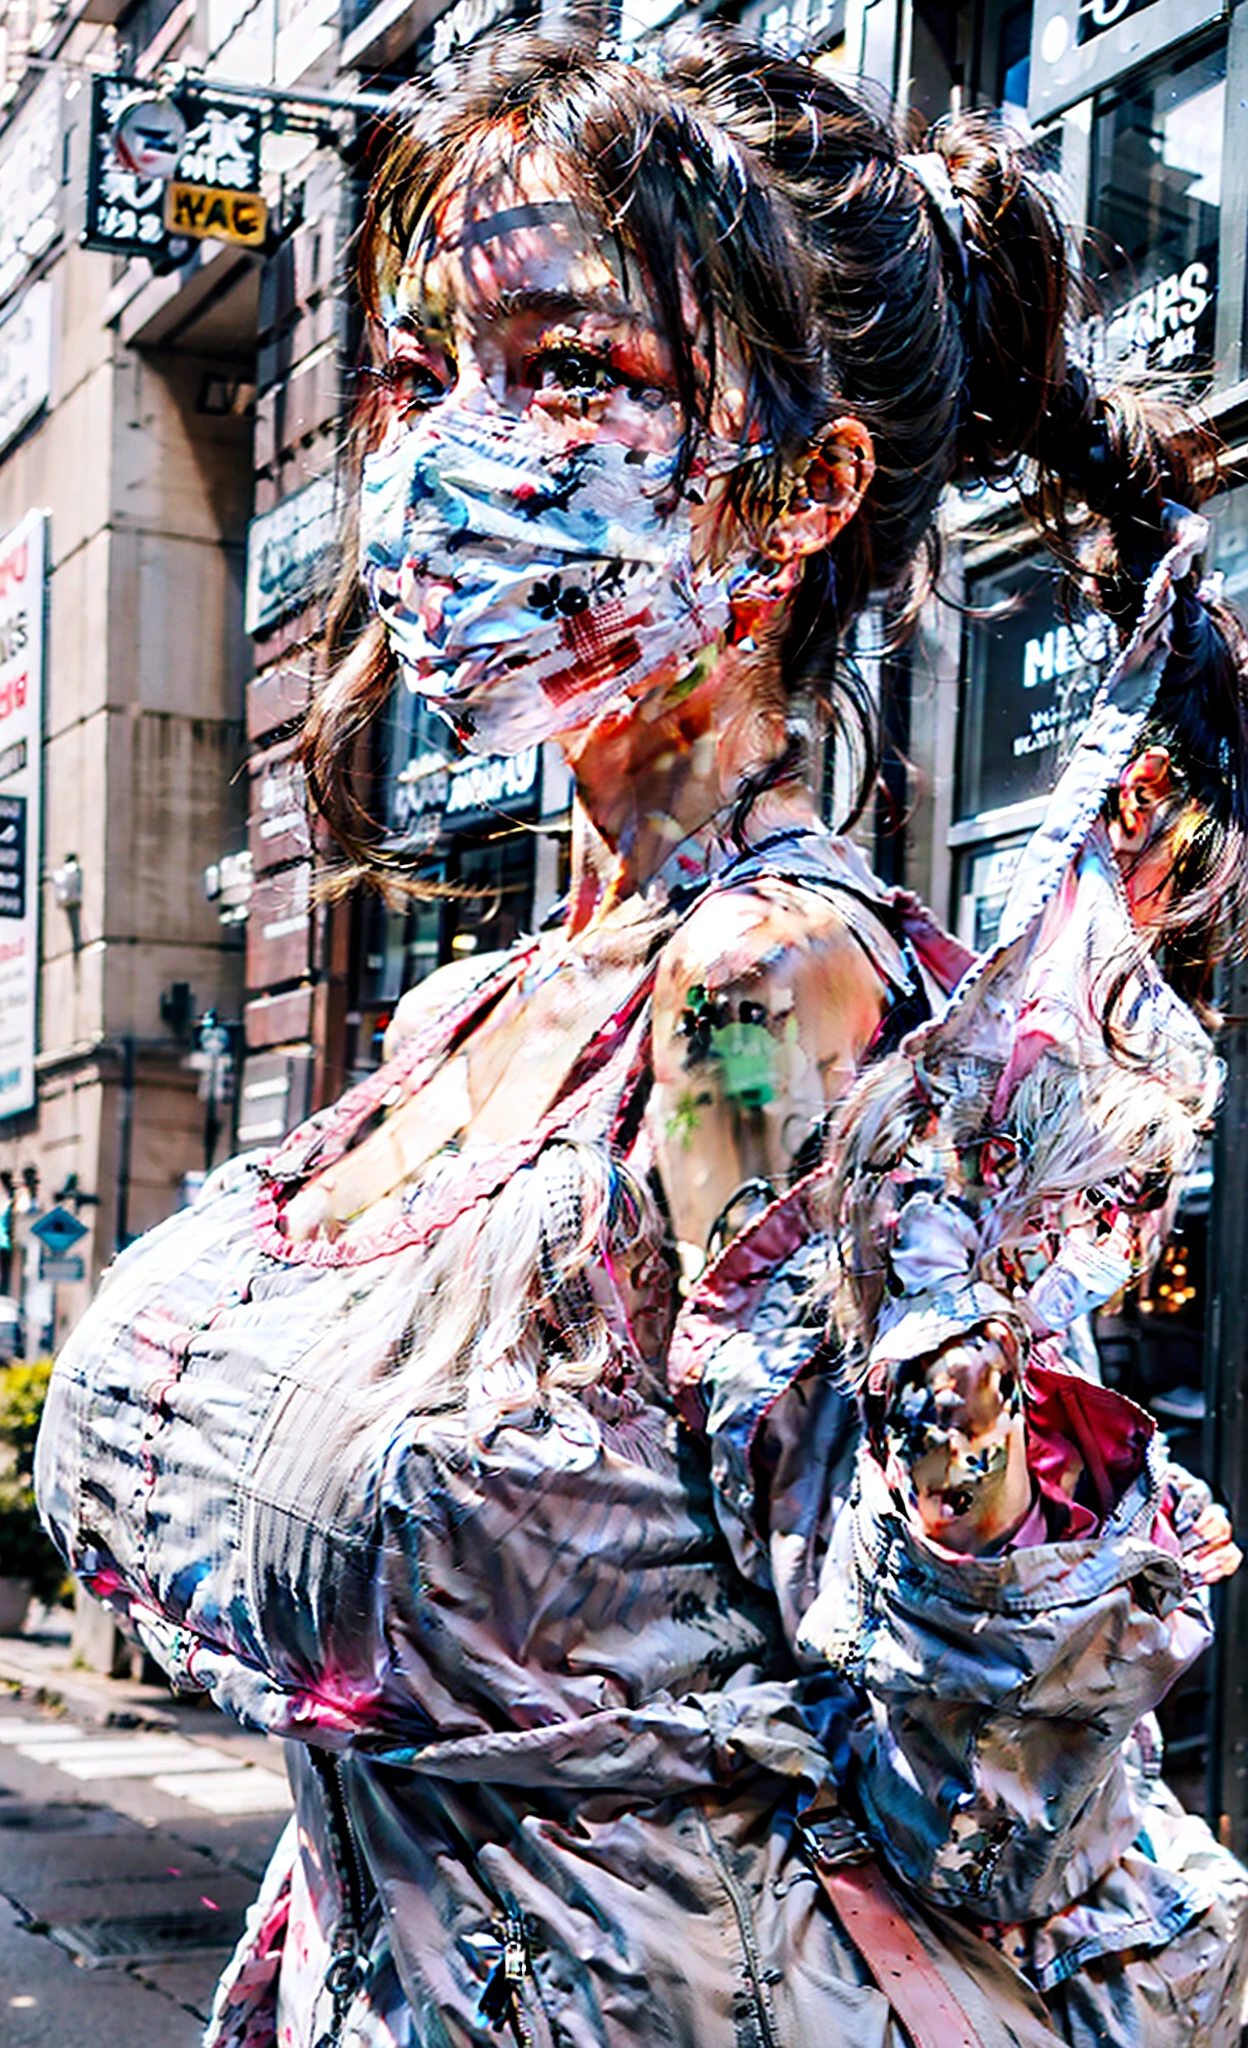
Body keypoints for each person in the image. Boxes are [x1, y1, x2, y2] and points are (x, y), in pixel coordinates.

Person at [32, 23, 1248, 2048]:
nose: (447, 452)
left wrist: (965, 1385)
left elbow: (998, 1797)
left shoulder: (763, 1000)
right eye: (427, 380)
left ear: (801, 491)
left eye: (569, 373)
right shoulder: (476, 1007)